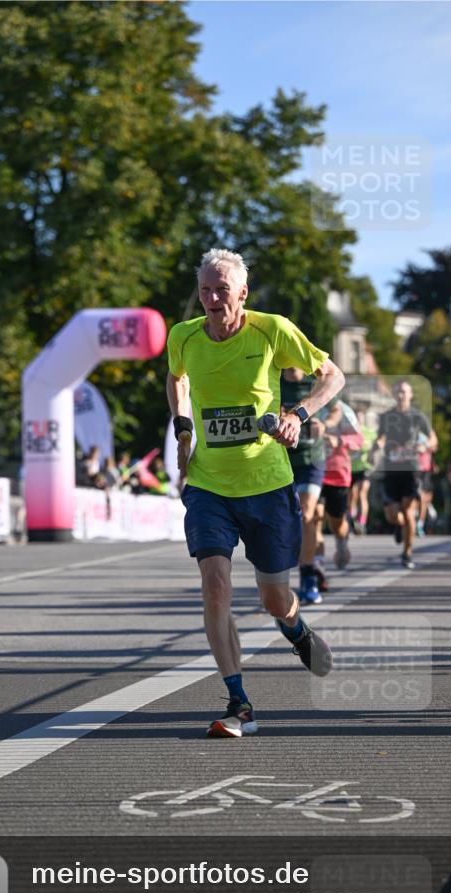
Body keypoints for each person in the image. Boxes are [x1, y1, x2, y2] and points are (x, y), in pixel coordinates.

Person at [167, 248, 345, 738]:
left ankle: (296, 630)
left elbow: (333, 375)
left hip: (267, 485)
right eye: (205, 289)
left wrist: (297, 415)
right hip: (208, 485)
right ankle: (239, 701)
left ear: (242, 293)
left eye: (222, 289)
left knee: (273, 597)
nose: (212, 298)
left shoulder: (272, 329)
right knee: (215, 583)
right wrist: (184, 430)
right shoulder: (183, 336)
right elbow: (176, 378)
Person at [369, 380, 437, 570]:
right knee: (392, 515)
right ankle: (399, 527)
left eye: (404, 392)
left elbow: (433, 438)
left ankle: (407, 552)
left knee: (408, 512)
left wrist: (425, 445)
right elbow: (381, 436)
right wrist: (378, 445)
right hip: (391, 469)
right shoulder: (387, 416)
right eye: (398, 392)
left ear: (410, 395)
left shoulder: (418, 417)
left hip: (412, 469)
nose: (401, 395)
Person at [281, 368, 327, 604]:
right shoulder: (273, 381)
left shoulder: (315, 383)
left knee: (307, 514)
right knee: (289, 520)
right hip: (283, 460)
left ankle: (307, 577)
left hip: (311, 459)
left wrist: (324, 423)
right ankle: (280, 580)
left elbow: (336, 410)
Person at [315, 399, 363, 572]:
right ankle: (317, 563)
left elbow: (358, 440)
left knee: (337, 524)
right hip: (312, 470)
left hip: (337, 474)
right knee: (313, 516)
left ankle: (342, 541)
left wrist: (339, 440)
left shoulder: (344, 410)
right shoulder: (303, 403)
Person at [349, 408, 377, 534]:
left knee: (362, 493)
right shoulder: (348, 432)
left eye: (360, 417)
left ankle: (361, 522)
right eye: (356, 417)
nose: (359, 420)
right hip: (350, 468)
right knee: (352, 496)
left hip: (365, 467)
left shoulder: (369, 432)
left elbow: (380, 441)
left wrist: (375, 449)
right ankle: (352, 518)